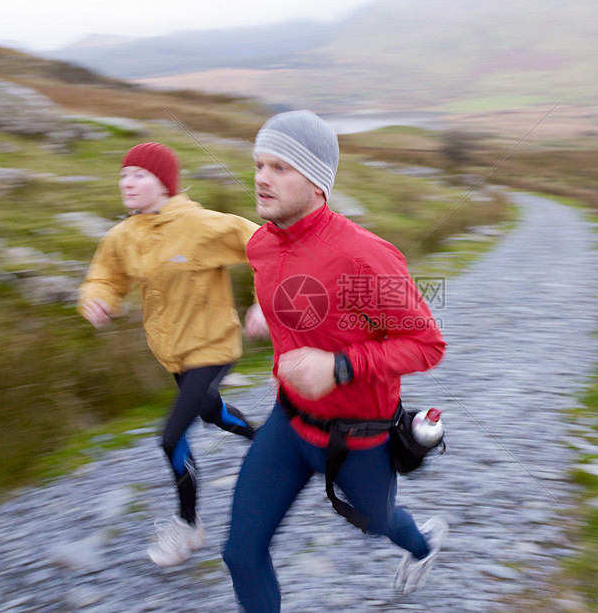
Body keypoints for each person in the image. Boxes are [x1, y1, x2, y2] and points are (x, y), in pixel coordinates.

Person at [222, 110, 448, 612]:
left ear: (319, 182)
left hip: (357, 439)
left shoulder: (365, 257)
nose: (261, 177)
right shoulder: (261, 244)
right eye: (260, 163)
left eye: (281, 167)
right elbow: (303, 293)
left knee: (381, 522)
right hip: (289, 423)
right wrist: (270, 309)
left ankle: (425, 544)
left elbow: (427, 344)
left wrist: (339, 367)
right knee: (240, 553)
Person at [78, 142, 260, 567]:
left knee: (171, 437)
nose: (127, 182)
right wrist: (97, 297)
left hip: (214, 346)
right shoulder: (124, 236)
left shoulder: (200, 226)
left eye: (139, 174)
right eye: (124, 174)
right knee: (212, 413)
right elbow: (105, 275)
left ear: (164, 183)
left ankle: (188, 524)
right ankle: (269, 440)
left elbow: (263, 246)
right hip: (173, 353)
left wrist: (264, 302)